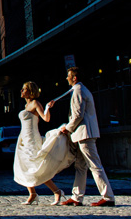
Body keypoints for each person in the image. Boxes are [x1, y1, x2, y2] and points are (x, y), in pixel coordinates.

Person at [47, 66, 116, 207]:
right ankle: (77, 197)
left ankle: (108, 197)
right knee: (80, 166)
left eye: (69, 75)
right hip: (81, 134)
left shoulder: (78, 90)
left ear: (75, 78)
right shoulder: (80, 89)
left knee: (94, 165)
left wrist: (67, 128)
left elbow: (78, 115)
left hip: (84, 133)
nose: (66, 78)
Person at [13, 81, 74, 204]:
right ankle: (32, 193)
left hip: (32, 138)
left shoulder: (35, 103)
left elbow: (46, 118)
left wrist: (47, 108)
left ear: (30, 91)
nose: (21, 91)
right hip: (23, 138)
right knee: (24, 165)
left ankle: (57, 191)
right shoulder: (25, 106)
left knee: (36, 167)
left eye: (24, 89)